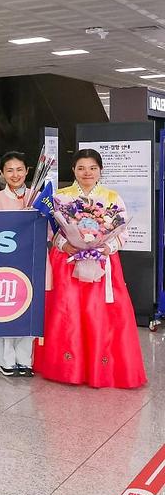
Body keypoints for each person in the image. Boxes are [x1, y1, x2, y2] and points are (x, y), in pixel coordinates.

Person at [33, 150, 147, 389]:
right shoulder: (61, 197)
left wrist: (107, 247)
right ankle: (68, 369)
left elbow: (122, 232)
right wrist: (65, 245)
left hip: (102, 263)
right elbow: (51, 231)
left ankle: (100, 368)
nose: (87, 173)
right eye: (81, 168)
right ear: (73, 170)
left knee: (98, 313)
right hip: (68, 262)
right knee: (68, 312)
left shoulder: (112, 197)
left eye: (93, 168)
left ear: (100, 171)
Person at [0, 152, 43, 377]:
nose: (15, 175)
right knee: (6, 307)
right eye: (9, 170)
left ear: (27, 171)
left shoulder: (39, 197)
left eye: (19, 170)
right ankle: (6, 359)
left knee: (30, 309)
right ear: (1, 173)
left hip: (33, 260)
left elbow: (49, 231)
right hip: (4, 263)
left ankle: (25, 359)